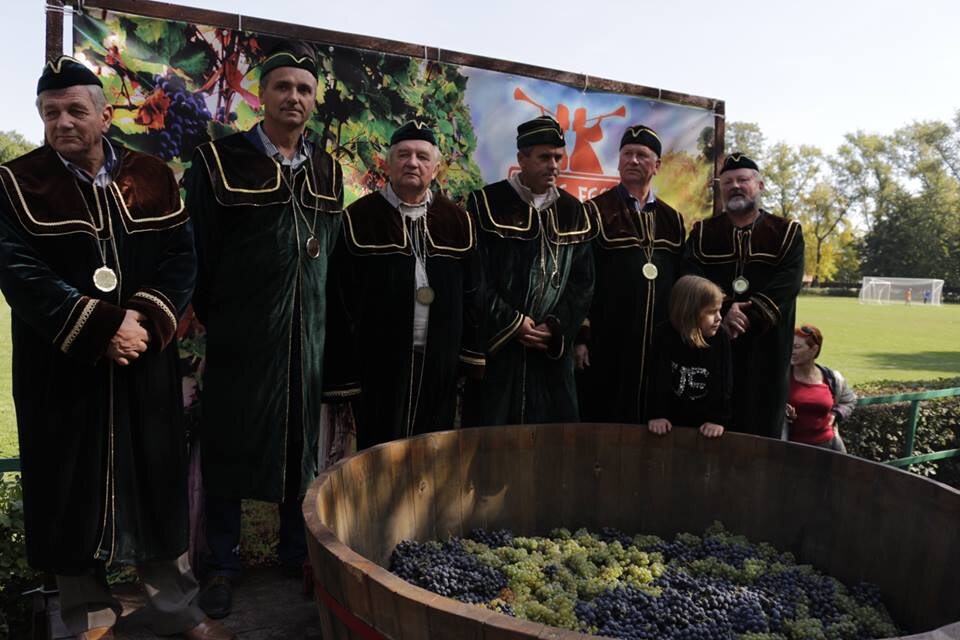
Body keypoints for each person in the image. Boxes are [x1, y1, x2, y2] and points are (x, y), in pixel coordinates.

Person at [0, 56, 232, 640]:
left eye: (77, 110)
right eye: (51, 113)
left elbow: (183, 258)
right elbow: (17, 270)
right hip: (62, 364)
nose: (63, 123)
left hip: (142, 363)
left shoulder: (153, 176)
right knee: (68, 487)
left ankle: (178, 611)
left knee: (155, 482)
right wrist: (101, 327)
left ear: (105, 115)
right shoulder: (15, 183)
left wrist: (144, 320)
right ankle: (90, 619)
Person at [182, 40, 344, 618]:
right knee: (230, 440)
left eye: (304, 89)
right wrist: (221, 314)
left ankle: (295, 550)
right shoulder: (218, 161)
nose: (294, 98)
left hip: (309, 337)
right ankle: (222, 563)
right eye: (283, 87)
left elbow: (331, 253)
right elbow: (195, 247)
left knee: (301, 445)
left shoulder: (327, 169)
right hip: (241, 336)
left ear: (313, 100)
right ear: (262, 94)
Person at [324, 121, 484, 448]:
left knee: (430, 450)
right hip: (380, 363)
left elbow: (474, 293)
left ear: (435, 168)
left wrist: (470, 356)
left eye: (423, 157)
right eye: (404, 154)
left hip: (439, 361)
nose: (413, 163)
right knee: (378, 450)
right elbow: (340, 300)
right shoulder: (358, 219)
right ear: (387, 163)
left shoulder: (458, 221)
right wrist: (344, 375)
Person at [463, 115, 595, 425]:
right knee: (492, 441)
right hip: (500, 349)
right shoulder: (486, 203)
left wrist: (556, 327)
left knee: (551, 446)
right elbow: (474, 275)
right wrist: (512, 322)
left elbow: (584, 282)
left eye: (558, 157)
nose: (553, 165)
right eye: (544, 157)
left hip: (550, 354)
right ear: (522, 158)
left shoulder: (574, 211)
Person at [684, 153, 804, 438]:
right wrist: (723, 310)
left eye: (743, 180)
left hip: (767, 350)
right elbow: (689, 274)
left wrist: (746, 316)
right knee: (711, 430)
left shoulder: (786, 232)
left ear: (760, 185)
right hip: (714, 348)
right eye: (728, 182)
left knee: (762, 434)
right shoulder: (703, 233)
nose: (735, 186)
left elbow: (788, 281)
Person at [578, 124, 686, 423]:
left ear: (657, 165)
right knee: (605, 419)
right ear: (618, 160)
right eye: (627, 154)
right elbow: (581, 279)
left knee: (654, 423)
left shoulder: (673, 220)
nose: (633, 160)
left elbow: (680, 281)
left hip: (659, 344)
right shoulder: (595, 212)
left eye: (642, 155)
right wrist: (581, 336)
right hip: (607, 340)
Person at [646, 276, 731, 438]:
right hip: (669, 423)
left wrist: (717, 419)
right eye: (712, 312)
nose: (719, 317)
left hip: (705, 424)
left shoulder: (720, 337)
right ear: (690, 312)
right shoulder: (664, 334)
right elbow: (658, 377)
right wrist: (658, 414)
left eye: (719, 310)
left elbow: (723, 381)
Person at [785, 324, 855, 452]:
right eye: (790, 345)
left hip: (829, 449)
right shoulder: (780, 377)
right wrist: (781, 411)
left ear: (814, 349)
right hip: (791, 451)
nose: (791, 350)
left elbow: (849, 401)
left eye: (796, 347)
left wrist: (836, 413)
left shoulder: (832, 378)